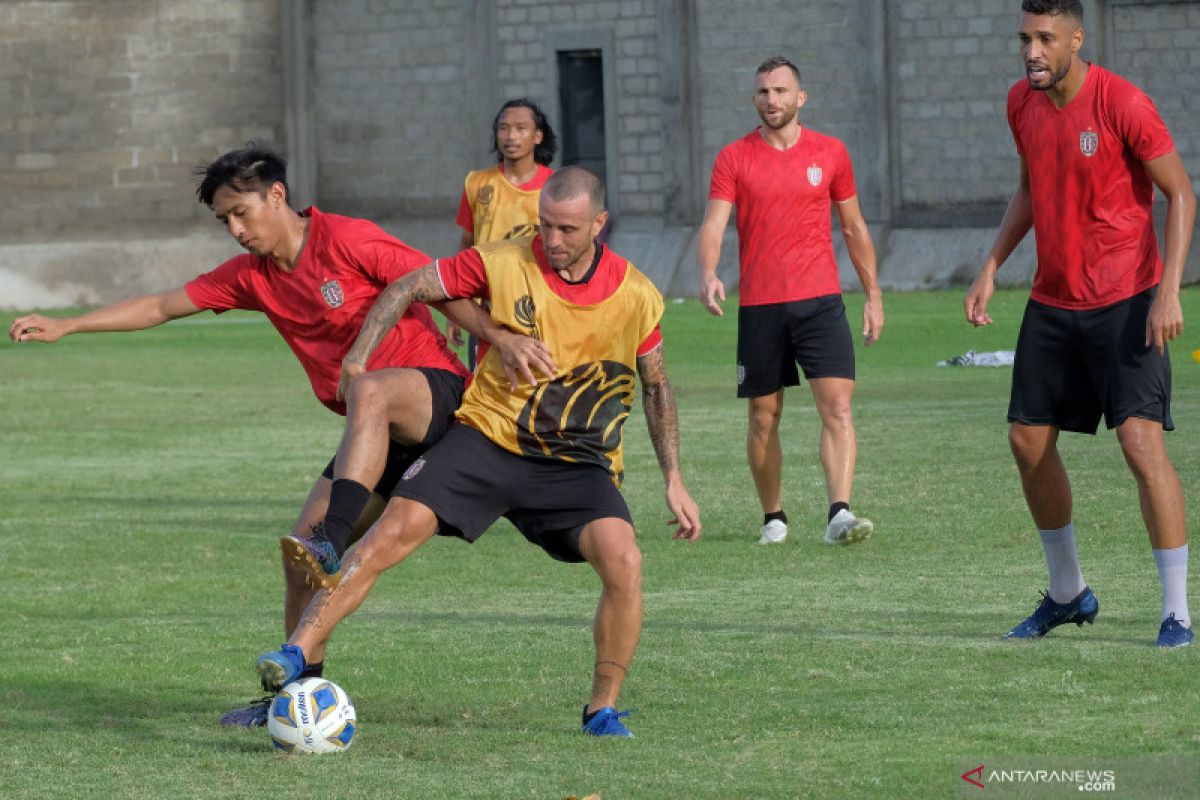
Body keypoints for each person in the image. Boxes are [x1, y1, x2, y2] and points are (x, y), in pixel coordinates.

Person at [8, 144, 507, 723]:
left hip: (432, 397)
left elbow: (434, 286)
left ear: (278, 195)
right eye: (224, 221)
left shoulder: (348, 239)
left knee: (370, 391)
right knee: (300, 554)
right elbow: (162, 306)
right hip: (374, 434)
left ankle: (340, 532)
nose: (236, 230)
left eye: (242, 212)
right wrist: (68, 324)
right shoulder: (253, 277)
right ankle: (296, 696)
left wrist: (502, 339)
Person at [257, 167, 702, 738]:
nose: (553, 240)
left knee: (625, 561)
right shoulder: (504, 259)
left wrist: (674, 477)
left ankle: (602, 709)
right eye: (544, 225)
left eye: (567, 229)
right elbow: (409, 286)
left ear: (599, 223)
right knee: (389, 533)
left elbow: (657, 383)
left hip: (576, 463)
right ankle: (297, 651)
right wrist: (360, 356)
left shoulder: (636, 294)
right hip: (488, 437)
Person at [964, 0, 1196, 647]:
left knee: (1141, 445)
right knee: (1026, 443)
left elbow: (1181, 193)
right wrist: (990, 266)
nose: (1032, 52)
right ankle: (1068, 593)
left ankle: (1176, 610)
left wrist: (1169, 291)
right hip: (1053, 301)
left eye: (1044, 39)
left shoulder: (1122, 102)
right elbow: (1031, 189)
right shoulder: (1021, 103)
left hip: (1127, 300)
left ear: (1075, 38)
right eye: (1024, 39)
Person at [696, 55, 884, 547]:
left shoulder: (831, 153)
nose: (771, 100)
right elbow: (715, 222)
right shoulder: (734, 158)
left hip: (821, 302)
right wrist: (709, 273)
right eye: (763, 92)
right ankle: (773, 518)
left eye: (780, 91)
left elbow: (854, 226)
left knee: (838, 409)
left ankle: (839, 513)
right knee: (763, 416)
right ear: (754, 98)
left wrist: (873, 294)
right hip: (761, 306)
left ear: (800, 98)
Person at [447, 98, 557, 369]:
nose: (511, 136)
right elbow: (467, 245)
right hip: (488, 308)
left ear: (538, 136)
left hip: (541, 304)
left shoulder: (555, 186)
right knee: (486, 387)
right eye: (504, 128)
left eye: (521, 128)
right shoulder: (477, 183)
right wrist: (456, 307)